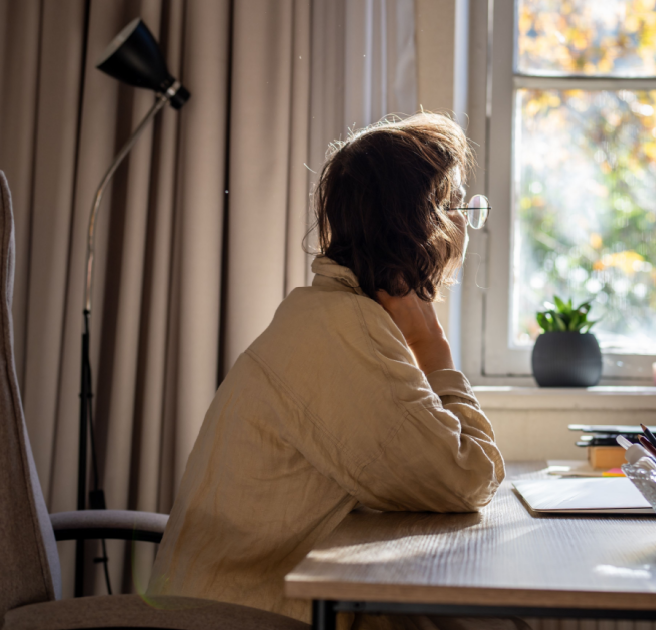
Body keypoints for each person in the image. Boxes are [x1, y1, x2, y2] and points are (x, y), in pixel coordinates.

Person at [147, 113, 508, 630]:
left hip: (253, 598)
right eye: (459, 207)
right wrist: (433, 347)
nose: (465, 227)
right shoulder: (346, 331)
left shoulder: (333, 315)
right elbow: (466, 478)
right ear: (420, 223)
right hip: (240, 615)